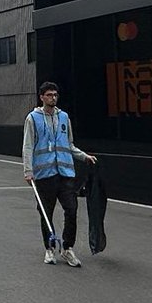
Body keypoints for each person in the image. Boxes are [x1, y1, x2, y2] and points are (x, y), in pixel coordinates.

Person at [23, 81, 97, 267]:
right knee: (46, 213)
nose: (53, 98)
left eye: (55, 95)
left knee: (71, 209)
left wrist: (84, 156)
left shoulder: (64, 117)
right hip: (43, 174)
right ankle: (49, 248)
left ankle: (67, 248)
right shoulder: (33, 118)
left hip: (65, 173)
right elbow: (28, 146)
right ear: (41, 97)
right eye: (49, 95)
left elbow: (69, 144)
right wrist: (28, 171)